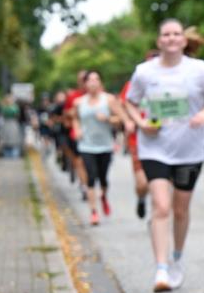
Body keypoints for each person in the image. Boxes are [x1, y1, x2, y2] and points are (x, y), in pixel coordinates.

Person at [124, 19, 204, 293]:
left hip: (190, 151)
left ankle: (177, 258)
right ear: (159, 40)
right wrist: (140, 123)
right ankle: (161, 269)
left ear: (184, 41)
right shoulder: (144, 72)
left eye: (176, 34)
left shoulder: (198, 70)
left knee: (180, 209)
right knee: (161, 206)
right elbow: (128, 101)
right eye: (166, 34)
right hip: (154, 148)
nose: (171, 38)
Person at [71, 70, 127, 226]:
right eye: (90, 80)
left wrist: (108, 118)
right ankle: (94, 212)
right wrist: (77, 129)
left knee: (103, 178)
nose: (93, 82)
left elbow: (120, 119)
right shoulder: (79, 102)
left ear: (100, 82)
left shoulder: (108, 100)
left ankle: (103, 196)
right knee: (91, 177)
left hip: (105, 145)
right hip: (86, 145)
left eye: (97, 79)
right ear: (85, 84)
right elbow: (75, 118)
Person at [120, 50, 159, 220]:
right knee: (143, 183)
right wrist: (128, 121)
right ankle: (142, 198)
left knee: (163, 184)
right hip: (139, 139)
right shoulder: (134, 83)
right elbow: (123, 104)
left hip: (165, 140)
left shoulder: (170, 84)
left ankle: (158, 213)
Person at [62, 70, 89, 197]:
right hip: (76, 134)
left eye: (85, 79)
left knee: (89, 163)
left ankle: (89, 182)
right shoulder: (73, 96)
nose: (83, 82)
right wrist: (72, 113)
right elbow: (66, 113)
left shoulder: (98, 95)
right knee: (80, 161)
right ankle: (84, 186)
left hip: (95, 135)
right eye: (81, 79)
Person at [0, 95, 23, 159]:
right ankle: (7, 154)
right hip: (7, 124)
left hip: (12, 124)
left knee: (13, 139)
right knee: (6, 139)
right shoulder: (5, 107)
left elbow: (17, 114)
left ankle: (13, 154)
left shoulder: (14, 107)